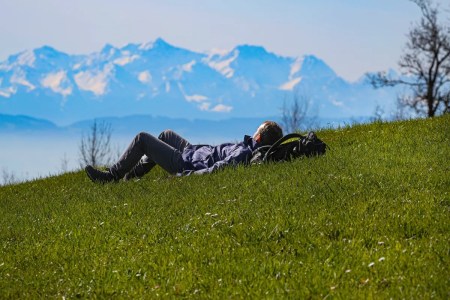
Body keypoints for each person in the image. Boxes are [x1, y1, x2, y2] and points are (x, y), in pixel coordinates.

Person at [85, 121, 283, 183]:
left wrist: (183, 176)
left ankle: (111, 177)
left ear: (258, 137)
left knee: (142, 139)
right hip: (192, 151)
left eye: (257, 130)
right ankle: (132, 173)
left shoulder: (243, 154)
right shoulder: (248, 148)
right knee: (166, 134)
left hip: (185, 162)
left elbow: (216, 169)